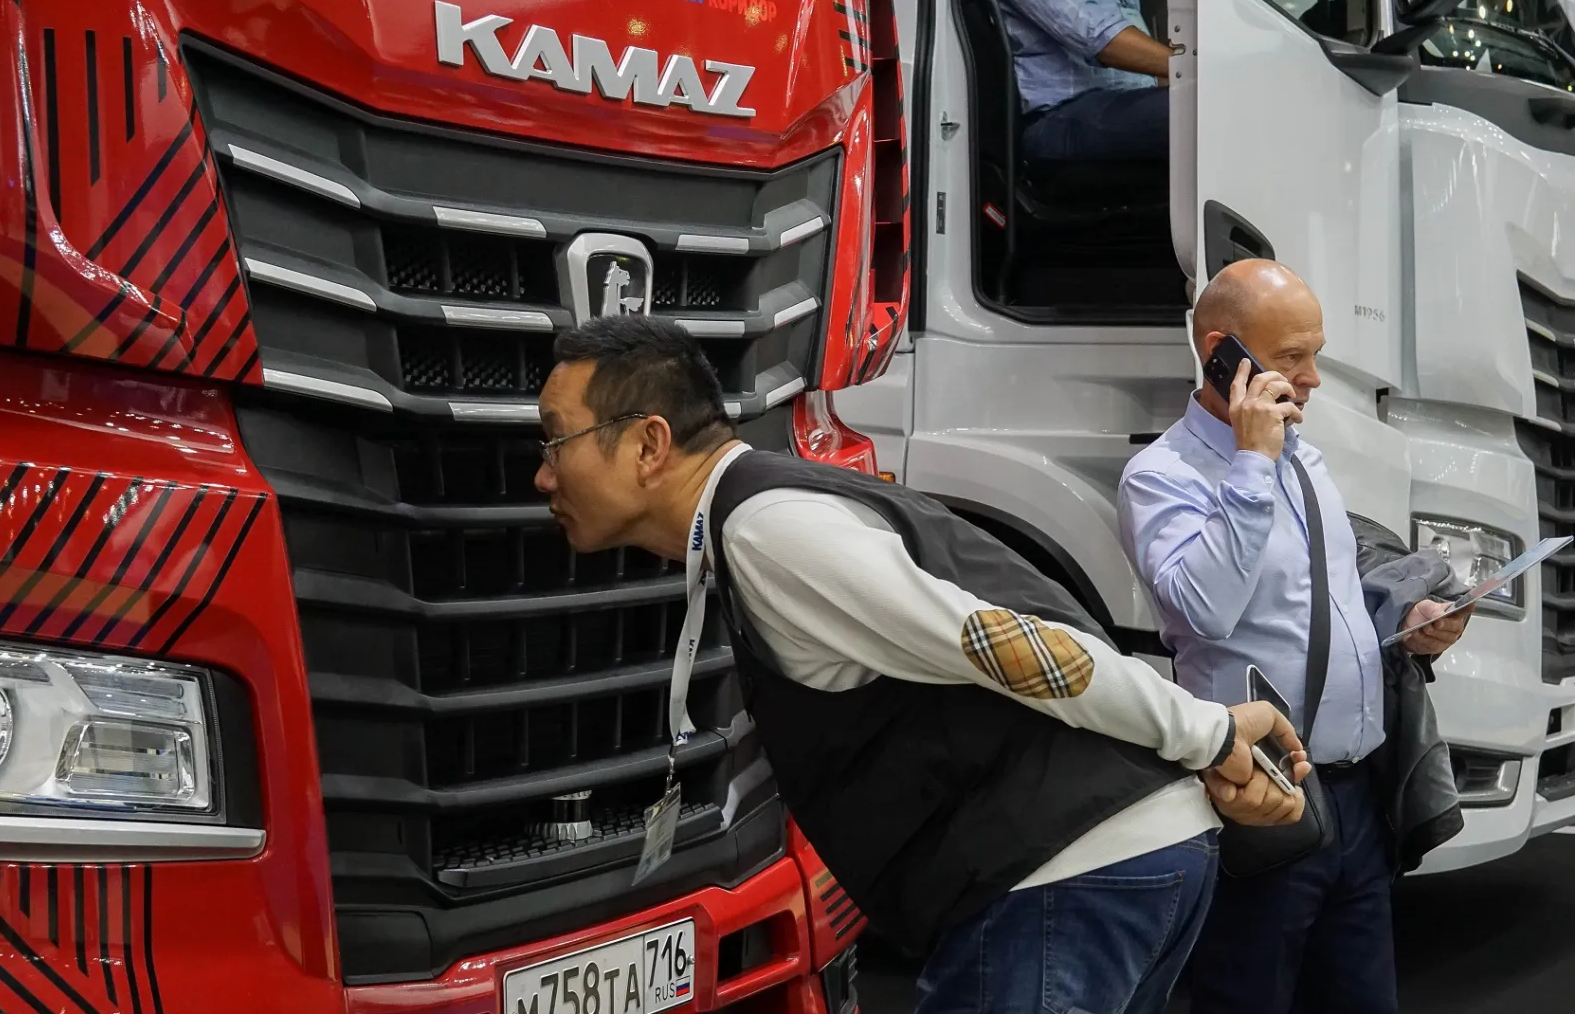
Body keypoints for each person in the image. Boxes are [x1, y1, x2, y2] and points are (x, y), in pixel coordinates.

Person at [536, 313, 1310, 1014]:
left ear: (649, 444)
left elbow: (1014, 649)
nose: (542, 476)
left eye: (554, 441)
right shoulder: (770, 507)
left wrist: (1207, 735)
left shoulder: (769, 530)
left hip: (1060, 879)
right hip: (1112, 864)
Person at [1117, 259, 1473, 1014]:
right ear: (1221, 353)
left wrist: (1404, 624)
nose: (1312, 378)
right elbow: (1203, 610)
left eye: (1315, 353)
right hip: (1264, 798)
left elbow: (1324, 599)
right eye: (1291, 357)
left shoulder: (1304, 458)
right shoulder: (1162, 476)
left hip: (1357, 795)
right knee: (1248, 997)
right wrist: (1252, 463)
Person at [996, 0, 1175, 163]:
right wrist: (1186, 67)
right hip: (1059, 114)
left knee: (1184, 102)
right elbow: (1103, 39)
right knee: (1185, 110)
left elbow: (1146, 65)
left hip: (1125, 99)